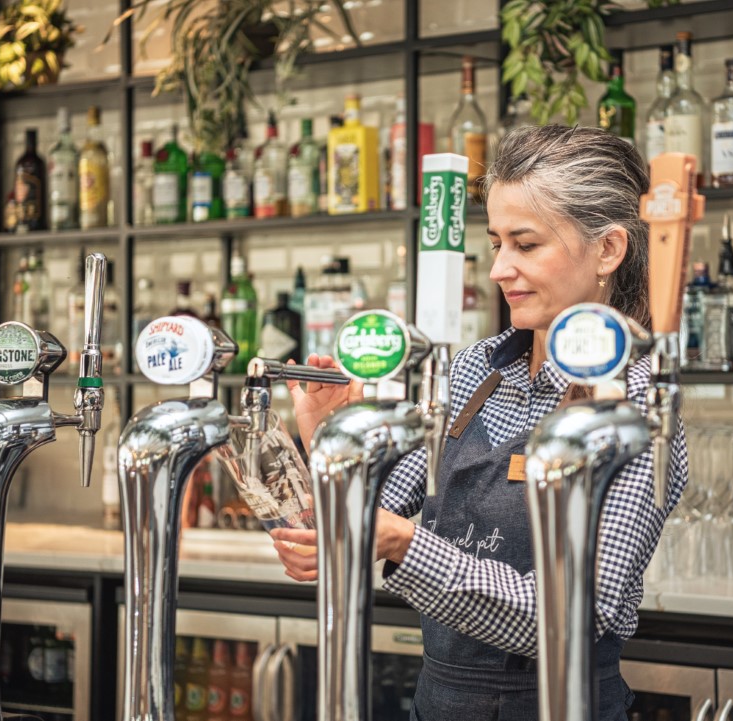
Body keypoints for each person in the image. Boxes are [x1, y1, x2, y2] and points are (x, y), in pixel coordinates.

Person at [273, 125, 690, 721]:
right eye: (495, 242)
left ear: (608, 250)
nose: (499, 269)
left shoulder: (641, 401)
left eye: (525, 244)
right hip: (439, 700)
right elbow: (374, 507)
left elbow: (575, 615)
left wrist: (402, 541)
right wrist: (326, 435)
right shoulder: (476, 369)